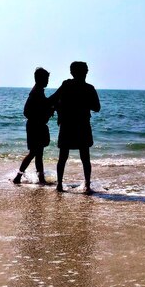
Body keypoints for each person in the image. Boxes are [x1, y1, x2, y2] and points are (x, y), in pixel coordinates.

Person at [49, 61, 100, 194]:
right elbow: (97, 108)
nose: (86, 72)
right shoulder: (89, 88)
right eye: (85, 70)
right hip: (82, 125)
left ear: (72, 72)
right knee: (85, 158)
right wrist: (84, 102)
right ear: (84, 72)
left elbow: (53, 99)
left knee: (63, 157)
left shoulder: (66, 85)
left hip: (67, 125)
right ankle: (87, 186)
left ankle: (59, 185)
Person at [13, 67, 54, 185]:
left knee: (38, 154)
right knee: (33, 153)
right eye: (46, 78)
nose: (47, 81)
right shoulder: (36, 92)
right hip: (34, 127)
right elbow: (28, 111)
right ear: (40, 79)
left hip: (35, 126)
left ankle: (40, 179)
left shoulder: (38, 91)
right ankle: (18, 176)